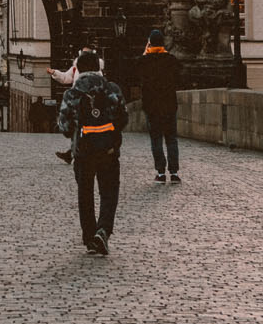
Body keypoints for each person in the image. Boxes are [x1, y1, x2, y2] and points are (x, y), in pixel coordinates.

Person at [57, 47, 129, 255]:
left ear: (78, 69)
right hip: (108, 150)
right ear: (98, 68)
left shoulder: (72, 93)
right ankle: (103, 230)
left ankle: (90, 237)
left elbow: (64, 126)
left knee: (85, 193)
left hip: (83, 151)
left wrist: (76, 133)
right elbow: (123, 118)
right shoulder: (112, 89)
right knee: (109, 192)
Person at [139, 28, 182, 186]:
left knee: (156, 139)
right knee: (171, 139)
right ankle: (175, 173)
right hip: (169, 105)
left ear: (149, 43)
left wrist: (145, 53)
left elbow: (136, 74)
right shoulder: (171, 60)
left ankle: (161, 172)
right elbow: (179, 78)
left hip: (152, 107)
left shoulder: (144, 61)